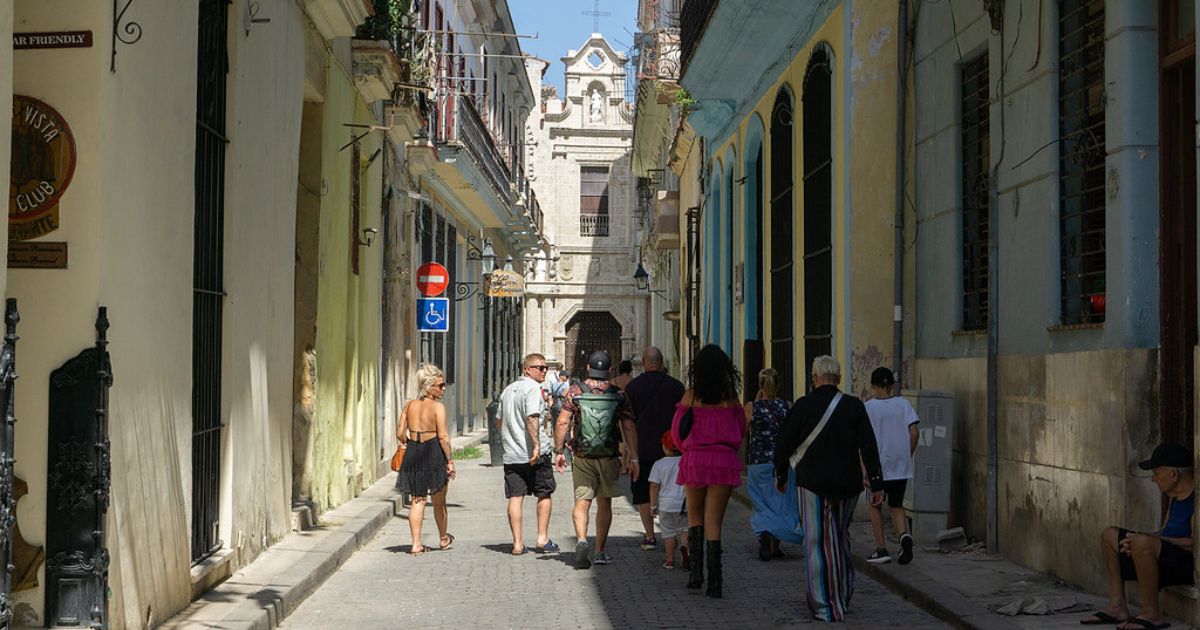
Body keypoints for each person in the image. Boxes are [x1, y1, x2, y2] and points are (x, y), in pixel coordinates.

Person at [774, 355, 883, 622]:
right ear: (839, 379)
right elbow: (869, 445)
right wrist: (877, 483)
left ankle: (826, 605)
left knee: (818, 542)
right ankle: (843, 592)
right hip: (848, 485)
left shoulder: (803, 406)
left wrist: (780, 474)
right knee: (839, 536)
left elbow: (785, 442)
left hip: (813, 483)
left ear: (814, 378)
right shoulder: (854, 406)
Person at [1080, 443, 1194, 630]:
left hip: (1184, 565)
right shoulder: (1174, 496)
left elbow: (1194, 545)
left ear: (1174, 474)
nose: (1153, 479)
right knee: (1110, 535)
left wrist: (1148, 542)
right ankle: (1117, 607)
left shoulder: (1196, 499)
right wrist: (1136, 539)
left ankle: (1152, 614)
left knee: (1142, 541)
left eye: (1156, 473)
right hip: (1164, 555)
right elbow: (1164, 532)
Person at [670, 344, 745, 598]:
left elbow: (677, 433)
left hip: (695, 460)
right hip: (723, 460)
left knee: (695, 517)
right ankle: (715, 581)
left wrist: (688, 449)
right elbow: (741, 431)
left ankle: (696, 575)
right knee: (715, 521)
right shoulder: (731, 397)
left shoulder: (690, 395)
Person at [554, 349, 639, 569]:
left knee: (582, 501)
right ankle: (600, 550)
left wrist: (559, 451)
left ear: (588, 368)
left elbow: (562, 423)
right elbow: (629, 427)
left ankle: (582, 539)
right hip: (609, 456)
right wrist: (635, 458)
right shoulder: (619, 394)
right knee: (604, 502)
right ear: (610, 370)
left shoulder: (575, 391)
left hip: (583, 455)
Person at [498, 353, 564, 555]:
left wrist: (508, 440)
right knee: (544, 493)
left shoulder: (507, 391)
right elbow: (532, 417)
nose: (544, 371)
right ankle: (542, 538)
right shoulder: (534, 389)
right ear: (528, 369)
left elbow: (499, 419)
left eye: (545, 368)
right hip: (536, 453)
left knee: (516, 497)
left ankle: (517, 543)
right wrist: (536, 445)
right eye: (540, 367)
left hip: (512, 454)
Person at [624, 346, 686, 551]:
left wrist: (629, 453)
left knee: (642, 494)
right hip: (671, 449)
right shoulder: (676, 387)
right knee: (675, 491)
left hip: (642, 450)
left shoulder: (632, 388)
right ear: (662, 362)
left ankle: (650, 536)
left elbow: (627, 422)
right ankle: (678, 533)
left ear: (643, 362)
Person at [396, 363, 457, 554]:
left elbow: (399, 433)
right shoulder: (438, 407)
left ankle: (416, 544)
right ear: (428, 387)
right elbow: (443, 437)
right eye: (440, 385)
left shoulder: (410, 405)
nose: (443, 388)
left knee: (417, 500)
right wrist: (450, 461)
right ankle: (443, 538)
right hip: (433, 452)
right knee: (439, 500)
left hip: (414, 451)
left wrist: (411, 442)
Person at [743, 367, 802, 561]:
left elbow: (743, 430)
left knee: (762, 502)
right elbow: (795, 434)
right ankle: (775, 547)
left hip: (758, 462)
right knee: (781, 503)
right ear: (779, 385)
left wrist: (757, 399)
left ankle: (764, 533)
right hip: (782, 463)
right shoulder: (788, 406)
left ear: (760, 385)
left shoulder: (752, 407)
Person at [863, 367, 919, 565]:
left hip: (877, 466)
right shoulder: (903, 404)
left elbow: (864, 442)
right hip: (899, 464)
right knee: (896, 504)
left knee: (875, 504)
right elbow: (914, 433)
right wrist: (907, 453)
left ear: (872, 386)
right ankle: (904, 536)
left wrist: (864, 469)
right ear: (893, 386)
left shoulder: (868, 408)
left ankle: (881, 549)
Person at [649, 431, 689, 570]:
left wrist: (653, 505)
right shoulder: (685, 461)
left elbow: (654, 485)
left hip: (666, 505)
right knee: (684, 529)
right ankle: (685, 548)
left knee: (669, 533)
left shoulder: (659, 464)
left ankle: (670, 561)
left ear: (664, 448)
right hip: (684, 504)